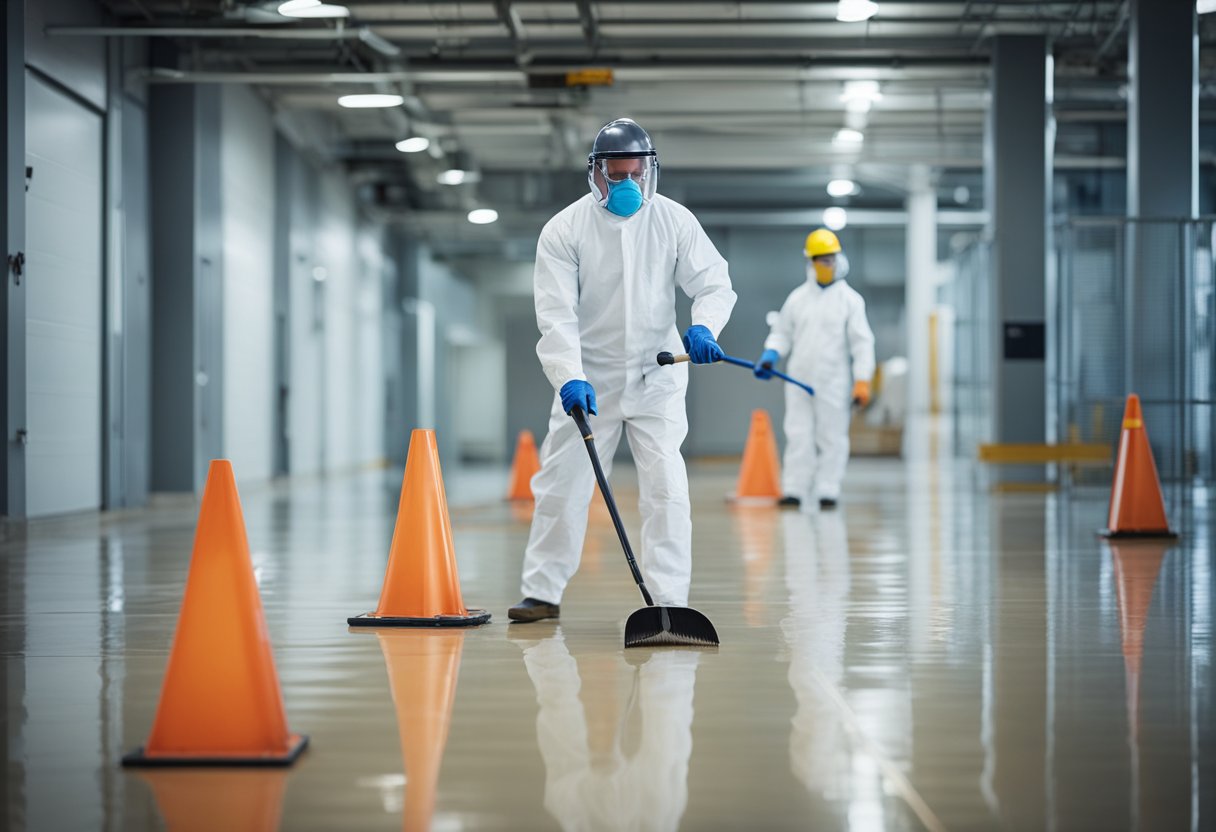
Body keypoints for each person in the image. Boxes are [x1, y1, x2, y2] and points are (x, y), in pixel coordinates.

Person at [509, 118, 737, 623]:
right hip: (589, 378)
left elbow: (714, 285)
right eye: (618, 174)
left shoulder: (673, 221)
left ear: (650, 170)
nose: (628, 185)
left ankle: (669, 601)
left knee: (666, 487)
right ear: (597, 174)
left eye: (636, 173)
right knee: (563, 483)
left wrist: (704, 328)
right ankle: (542, 591)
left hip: (657, 374)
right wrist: (568, 374)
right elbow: (555, 314)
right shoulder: (565, 229)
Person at [753, 228, 875, 510]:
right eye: (820, 259)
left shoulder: (851, 301)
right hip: (797, 379)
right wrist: (771, 353)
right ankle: (794, 489)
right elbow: (782, 332)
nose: (825, 265)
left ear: (838, 259)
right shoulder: (797, 299)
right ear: (810, 261)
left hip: (832, 382)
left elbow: (862, 344)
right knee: (798, 434)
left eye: (830, 259)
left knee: (831, 437)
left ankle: (827, 490)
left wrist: (862, 381)